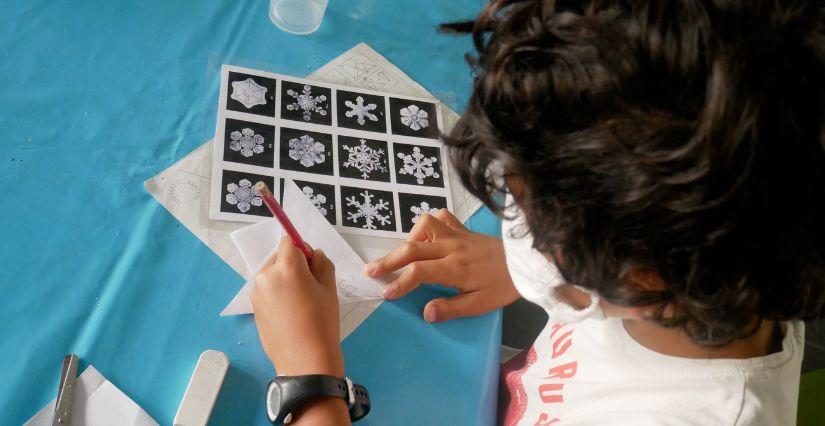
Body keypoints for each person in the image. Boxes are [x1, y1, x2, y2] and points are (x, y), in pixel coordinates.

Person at [251, 0, 825, 424]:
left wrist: (311, 385)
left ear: (639, 274)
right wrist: (526, 268)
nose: (515, 227)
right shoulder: (736, 243)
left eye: (529, 213)